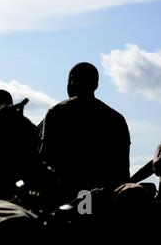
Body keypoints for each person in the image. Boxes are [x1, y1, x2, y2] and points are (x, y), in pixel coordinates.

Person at [40, 62, 130, 197]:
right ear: (96, 85)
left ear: (71, 82)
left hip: (66, 196)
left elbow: (45, 158)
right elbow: (123, 170)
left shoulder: (58, 112)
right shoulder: (116, 118)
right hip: (105, 200)